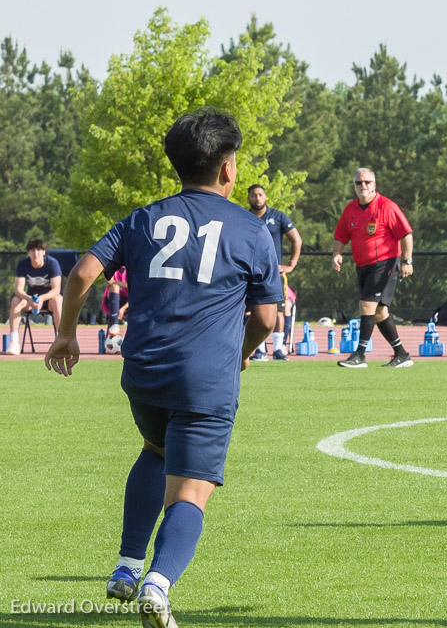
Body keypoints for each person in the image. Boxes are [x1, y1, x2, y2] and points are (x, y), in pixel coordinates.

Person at [44, 107, 280, 628]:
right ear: (227, 170)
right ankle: (158, 583)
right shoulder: (251, 229)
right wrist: (241, 352)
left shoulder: (144, 218)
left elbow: (83, 271)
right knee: (192, 489)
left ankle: (126, 566)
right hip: (205, 379)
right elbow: (266, 317)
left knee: (154, 451)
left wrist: (66, 334)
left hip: (144, 374)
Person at [331, 167, 414, 368]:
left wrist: (407, 260)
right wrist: (337, 254)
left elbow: (406, 234)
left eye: (367, 182)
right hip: (363, 266)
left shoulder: (387, 206)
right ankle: (401, 354)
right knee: (379, 313)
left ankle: (359, 355)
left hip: (384, 262)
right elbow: (340, 235)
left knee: (366, 306)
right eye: (359, 183)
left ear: (374, 185)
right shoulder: (350, 209)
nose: (363, 186)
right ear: (354, 186)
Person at [246, 183, 302, 360]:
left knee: (278, 310)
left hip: (273, 273)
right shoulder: (244, 217)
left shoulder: (278, 217)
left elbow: (296, 240)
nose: (257, 198)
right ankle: (259, 350)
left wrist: (291, 264)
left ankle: (278, 349)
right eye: (254, 195)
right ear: (249, 197)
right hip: (249, 272)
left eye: (260, 194)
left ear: (266, 197)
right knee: (251, 310)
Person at [7, 238, 63, 353]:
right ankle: (14, 342)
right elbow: (18, 289)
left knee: (58, 300)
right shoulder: (23, 264)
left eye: (38, 250)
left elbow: (56, 289)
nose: (35, 253)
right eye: (32, 250)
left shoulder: (52, 263)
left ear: (43, 252)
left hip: (48, 300)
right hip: (30, 300)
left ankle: (60, 341)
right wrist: (29, 298)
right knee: (15, 300)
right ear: (28, 253)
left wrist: (42, 298)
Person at [102, 266, 130, 338]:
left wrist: (123, 309)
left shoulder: (131, 269)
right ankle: (114, 325)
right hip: (112, 298)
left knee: (135, 291)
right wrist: (126, 285)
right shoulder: (112, 267)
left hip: (128, 302)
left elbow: (134, 292)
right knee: (115, 286)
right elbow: (109, 281)